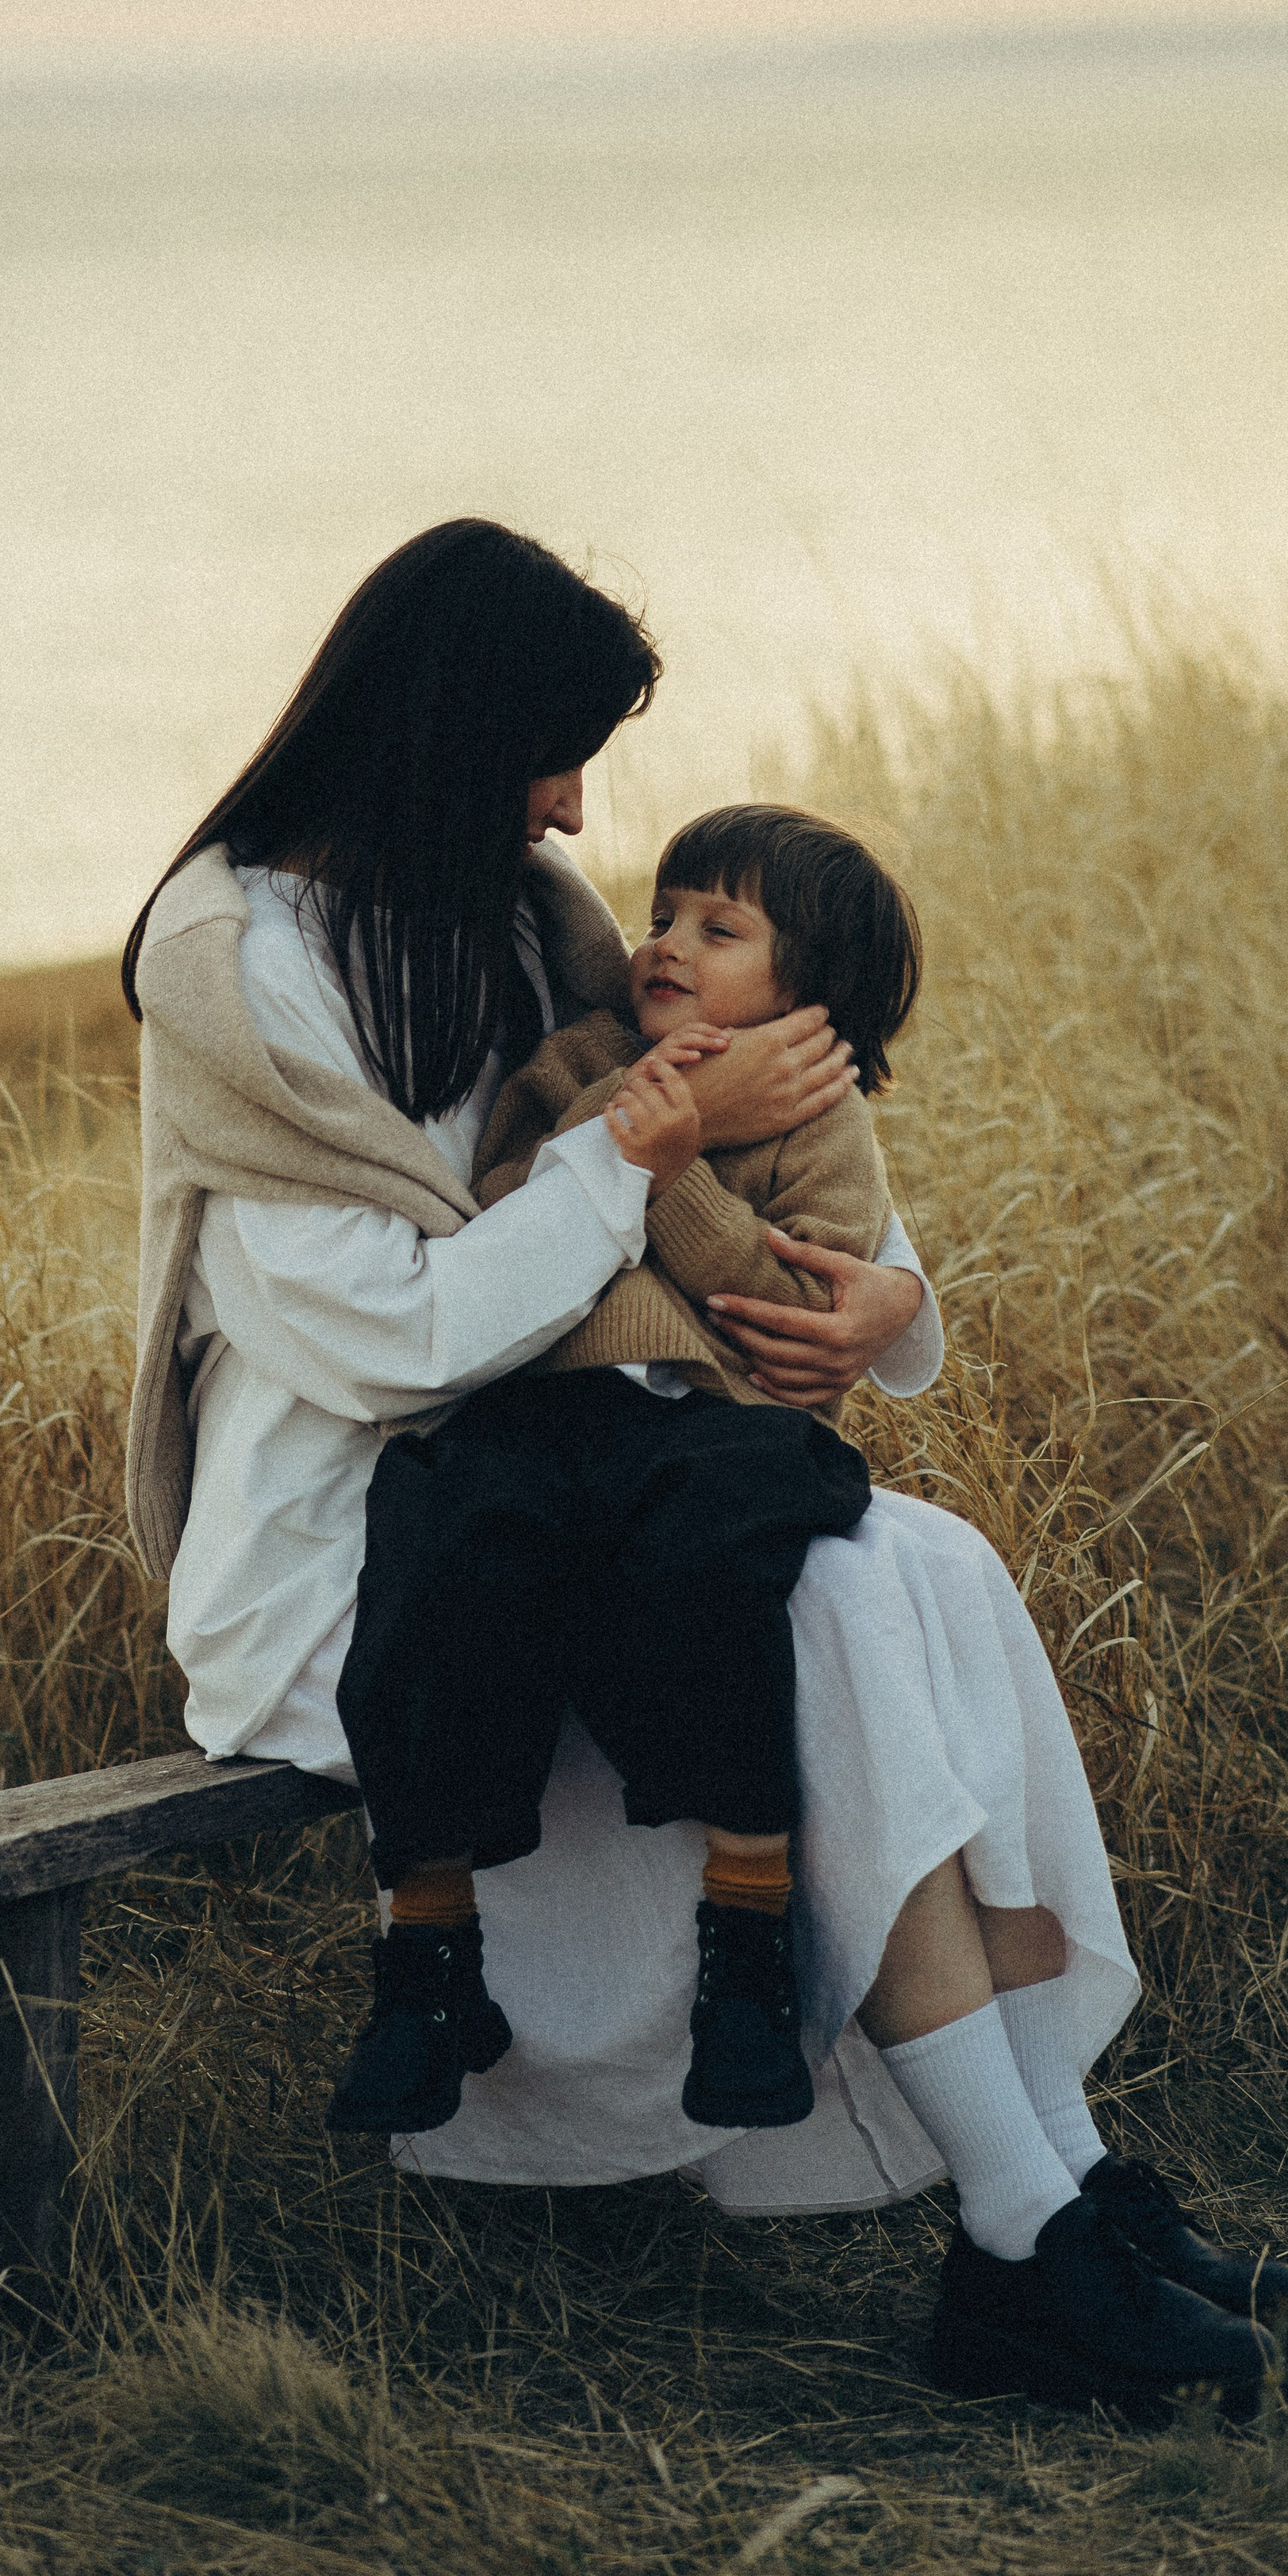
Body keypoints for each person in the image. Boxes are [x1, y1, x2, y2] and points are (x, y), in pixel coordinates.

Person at [124, 516, 1288, 2422]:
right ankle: (1021, 2239)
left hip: (591, 1469)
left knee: (927, 1567)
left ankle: (1064, 2180)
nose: (577, 810)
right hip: (374, 1543)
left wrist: (879, 1305)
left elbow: (774, 1129)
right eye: (553, 753)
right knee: (838, 1597)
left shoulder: (518, 916)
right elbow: (391, 1337)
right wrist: (639, 1150)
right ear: (454, 732)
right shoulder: (228, 965)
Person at [328, 806, 918, 2144]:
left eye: (721, 930)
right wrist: (629, 1128)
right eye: (663, 914)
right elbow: (512, 1208)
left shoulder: (822, 1117)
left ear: (807, 988)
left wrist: (667, 1176)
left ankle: (749, 1945)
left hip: (711, 1421)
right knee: (441, 1536)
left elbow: (787, 1306)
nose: (666, 944)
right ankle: (426, 1956)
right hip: (540, 1405)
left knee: (712, 1568)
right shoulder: (582, 1059)